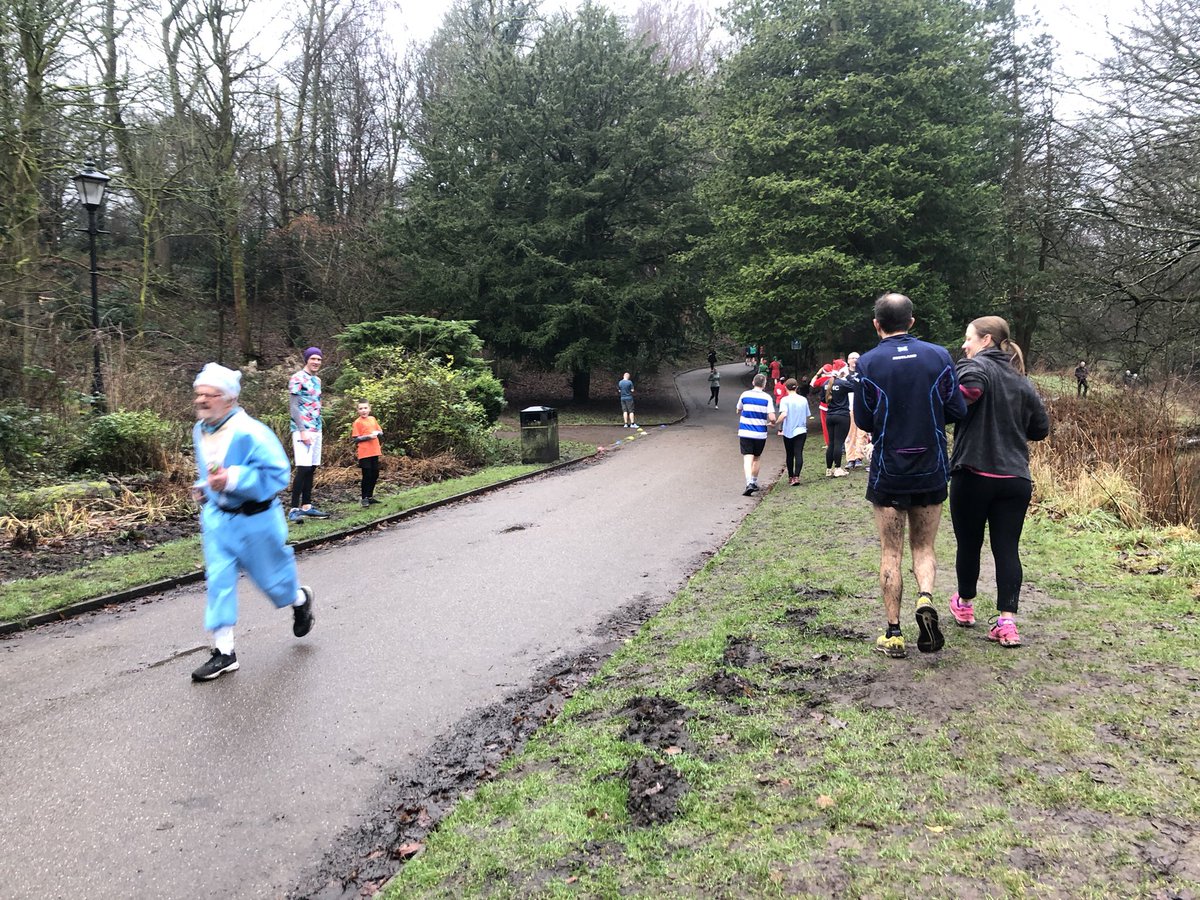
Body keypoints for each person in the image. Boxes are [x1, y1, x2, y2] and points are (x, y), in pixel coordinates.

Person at [854, 292, 967, 659]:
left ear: (877, 325)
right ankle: (925, 599)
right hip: (931, 466)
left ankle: (894, 633)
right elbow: (955, 408)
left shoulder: (868, 364)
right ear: (912, 322)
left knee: (891, 552)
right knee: (924, 547)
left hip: (890, 469)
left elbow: (864, 420)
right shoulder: (939, 356)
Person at [189, 363, 315, 682]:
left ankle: (300, 600)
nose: (202, 400)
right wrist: (207, 490)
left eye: (210, 395)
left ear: (229, 399)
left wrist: (233, 479)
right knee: (218, 581)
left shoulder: (252, 431)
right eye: (198, 394)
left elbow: (278, 475)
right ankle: (224, 652)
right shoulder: (199, 429)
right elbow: (211, 473)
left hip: (256, 521)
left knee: (275, 584)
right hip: (219, 522)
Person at [948, 317, 1050, 648]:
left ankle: (964, 607)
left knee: (969, 544)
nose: (964, 345)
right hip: (1015, 479)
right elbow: (1040, 430)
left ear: (986, 340)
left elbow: (970, 387)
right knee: (1007, 548)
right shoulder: (1023, 383)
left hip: (973, 474)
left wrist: (961, 399)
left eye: (968, 339)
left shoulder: (975, 366)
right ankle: (1007, 623)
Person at [288, 347, 330, 523]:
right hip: (302, 429)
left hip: (316, 428)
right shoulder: (297, 378)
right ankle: (294, 509)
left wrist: (317, 428)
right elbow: (294, 406)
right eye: (313, 358)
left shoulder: (317, 380)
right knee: (303, 468)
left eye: (319, 359)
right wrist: (302, 429)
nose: (316, 362)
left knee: (312, 467)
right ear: (306, 360)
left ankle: (307, 506)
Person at [736, 373, 776, 496]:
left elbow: (739, 409)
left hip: (745, 432)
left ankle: (749, 483)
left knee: (747, 457)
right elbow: (772, 417)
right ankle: (754, 481)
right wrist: (772, 422)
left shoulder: (745, 395)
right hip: (760, 433)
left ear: (753, 383)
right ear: (764, 385)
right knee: (757, 457)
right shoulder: (767, 398)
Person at [775, 378, 810, 486]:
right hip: (801, 430)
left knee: (789, 454)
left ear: (785, 387)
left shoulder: (785, 400)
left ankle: (790, 477)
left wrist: (776, 423)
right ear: (797, 387)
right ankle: (796, 477)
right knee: (798, 453)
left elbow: (784, 414)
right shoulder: (803, 400)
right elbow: (807, 414)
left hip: (788, 431)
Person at [823, 360, 852, 478]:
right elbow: (856, 387)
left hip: (830, 415)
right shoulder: (842, 383)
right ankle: (838, 468)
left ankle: (828, 469)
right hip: (842, 415)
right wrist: (848, 376)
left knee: (831, 443)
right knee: (839, 443)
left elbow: (822, 399)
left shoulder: (826, 383)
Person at [352, 400, 384, 508]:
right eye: (361, 409)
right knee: (367, 475)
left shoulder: (372, 419)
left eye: (365, 408)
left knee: (375, 474)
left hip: (374, 450)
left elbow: (380, 431)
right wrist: (368, 437)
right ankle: (364, 498)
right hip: (364, 452)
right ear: (358, 411)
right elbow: (356, 439)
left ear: (369, 409)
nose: (363, 410)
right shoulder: (357, 422)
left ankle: (370, 496)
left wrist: (377, 433)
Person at [844, 351, 868, 468]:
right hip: (848, 406)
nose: (854, 360)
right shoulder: (843, 374)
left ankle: (859, 457)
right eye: (852, 358)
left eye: (856, 358)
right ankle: (850, 458)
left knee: (862, 433)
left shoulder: (864, 372)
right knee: (850, 433)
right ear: (848, 360)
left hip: (861, 405)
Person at [810, 362, 835, 448]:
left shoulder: (823, 379)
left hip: (824, 406)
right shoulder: (836, 378)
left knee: (825, 425)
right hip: (836, 405)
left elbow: (812, 383)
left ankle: (828, 443)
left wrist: (818, 373)